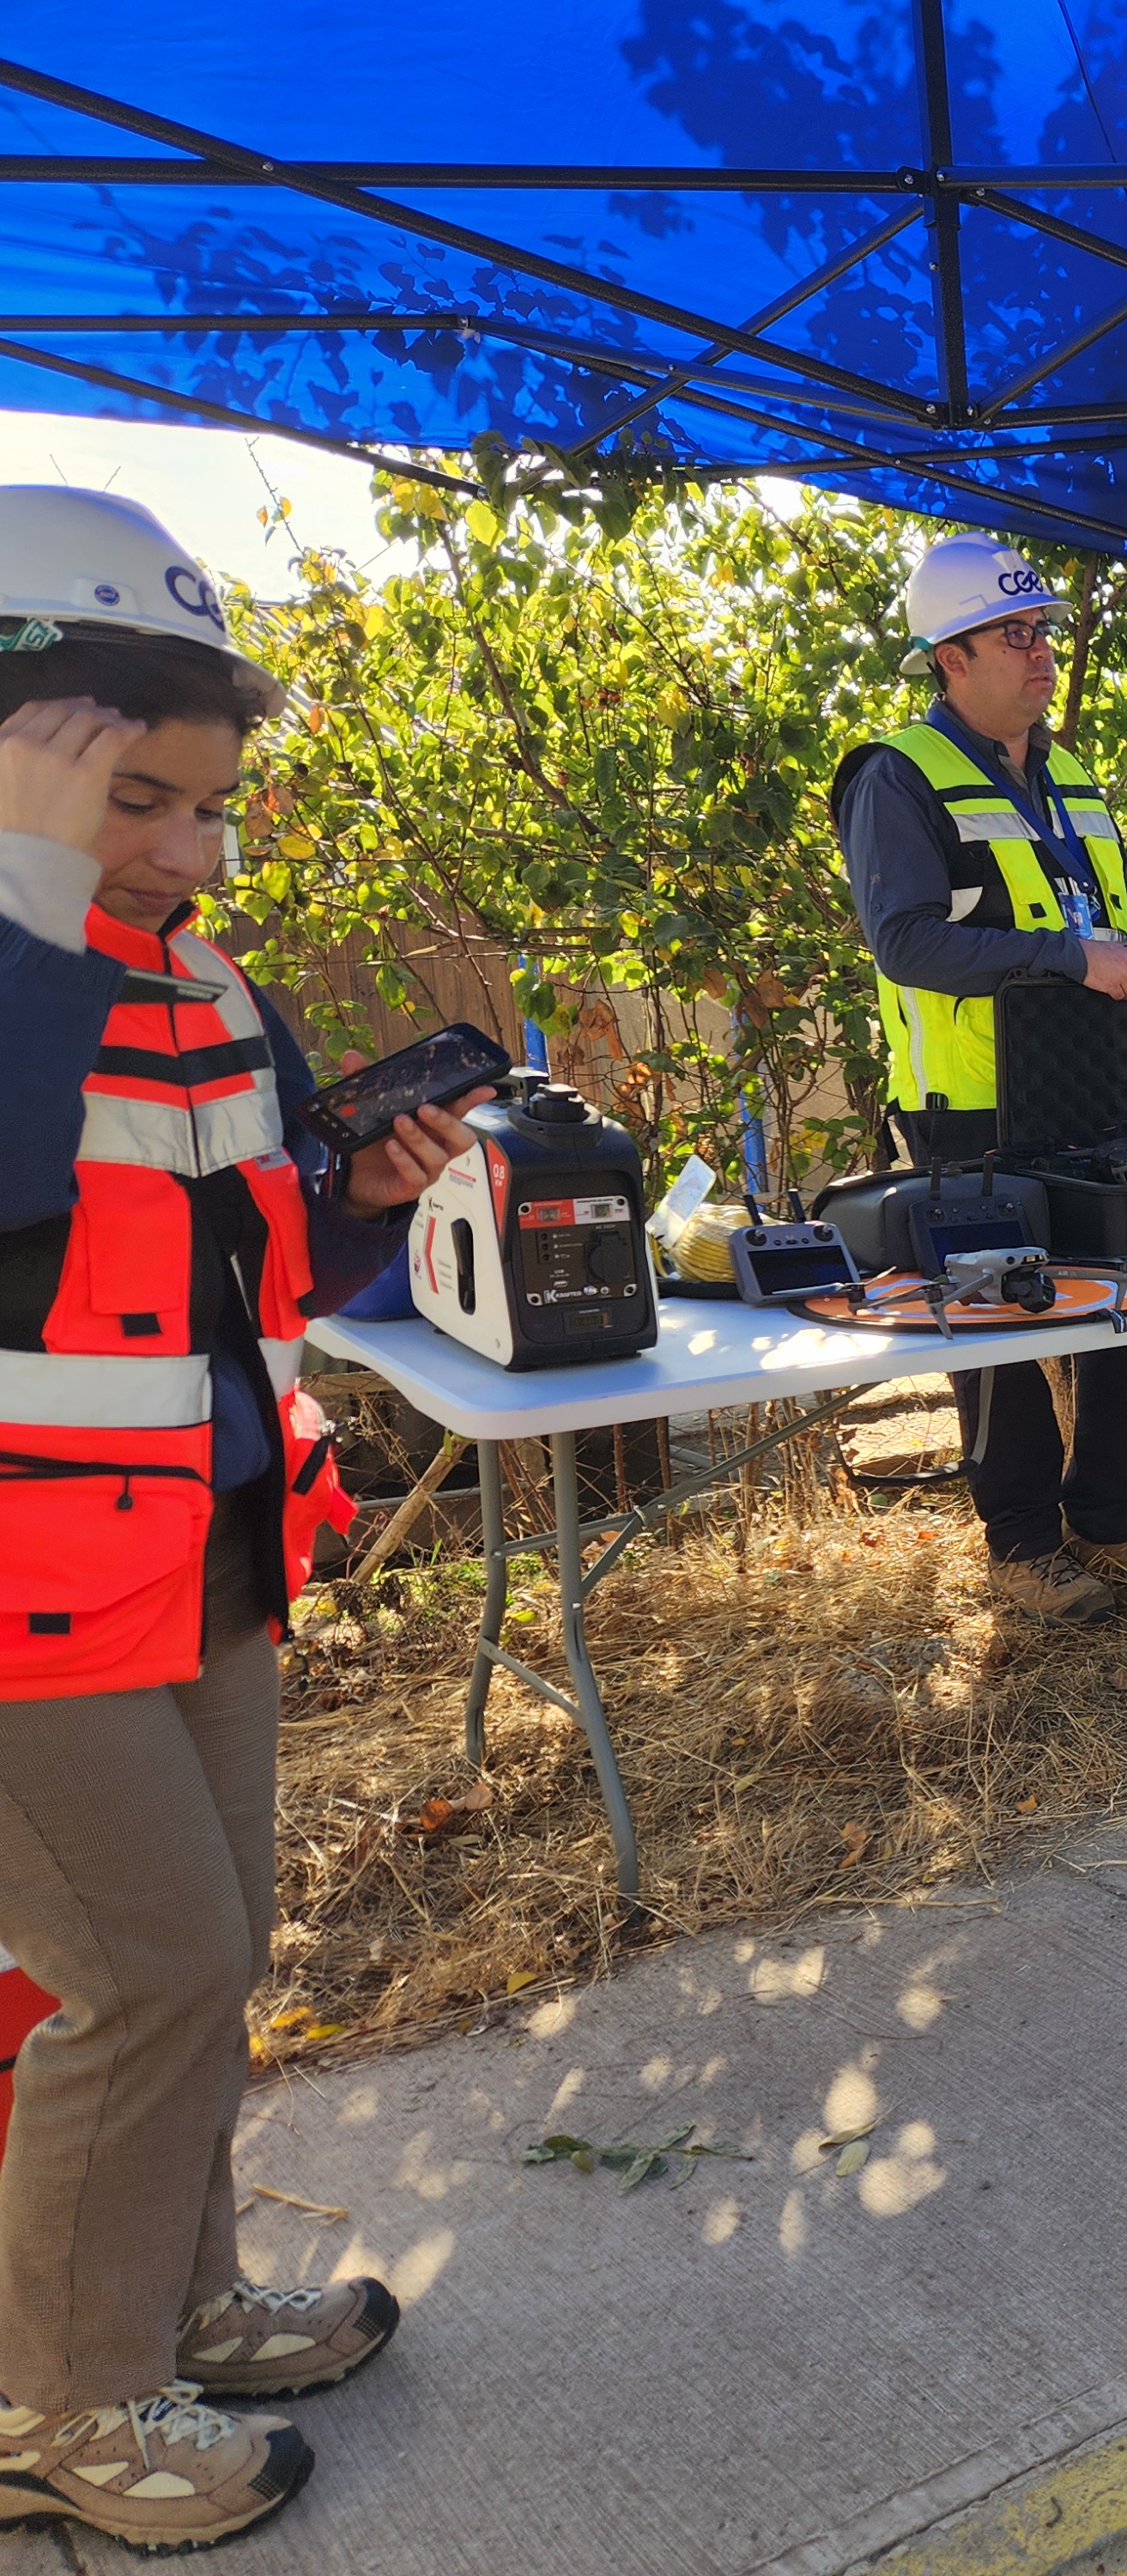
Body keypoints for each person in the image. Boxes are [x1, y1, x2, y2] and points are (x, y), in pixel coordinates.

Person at [0, 489, 476, 2551]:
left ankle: (173, 2311)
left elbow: (257, 1279)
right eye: (137, 800)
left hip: (192, 1559)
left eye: (209, 808)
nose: (193, 851)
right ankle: (70, 2407)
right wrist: (24, 887)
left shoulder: (200, 982)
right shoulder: (27, 966)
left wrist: (362, 1204)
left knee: (207, 1958)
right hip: (27, 1602)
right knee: (151, 1965)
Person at [833, 534, 1127, 1625]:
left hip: (1101, 1101)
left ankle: (1110, 1518)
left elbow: (1099, 925)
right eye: (1017, 633)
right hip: (973, 1113)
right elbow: (905, 944)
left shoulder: (1072, 782)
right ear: (949, 656)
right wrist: (1073, 959)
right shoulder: (896, 776)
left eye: (1044, 629)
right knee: (997, 1326)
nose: (1043, 652)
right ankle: (1019, 1546)